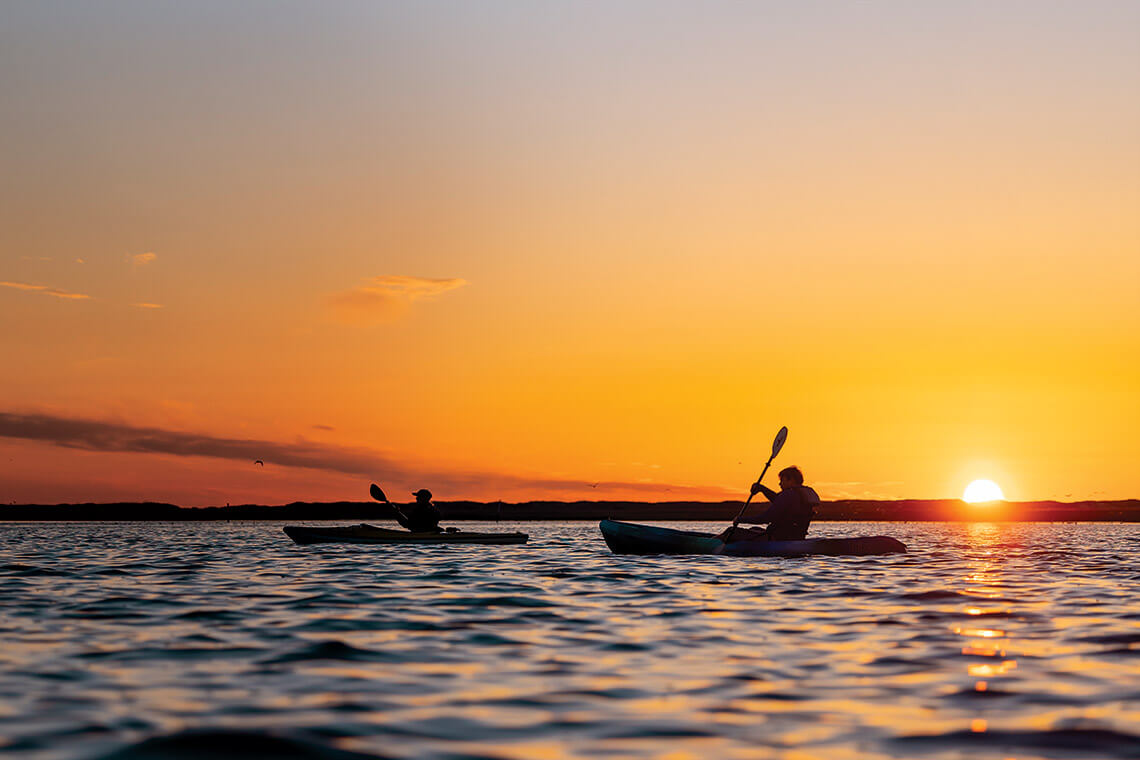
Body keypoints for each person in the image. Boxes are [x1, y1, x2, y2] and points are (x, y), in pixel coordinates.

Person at [719, 466, 820, 542]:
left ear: (791, 480)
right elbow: (778, 500)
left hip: (777, 539)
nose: (779, 484)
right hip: (796, 538)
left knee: (730, 531)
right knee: (755, 529)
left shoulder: (788, 495)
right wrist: (762, 488)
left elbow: (766, 518)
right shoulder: (802, 495)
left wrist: (741, 519)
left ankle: (711, 542)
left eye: (782, 480)